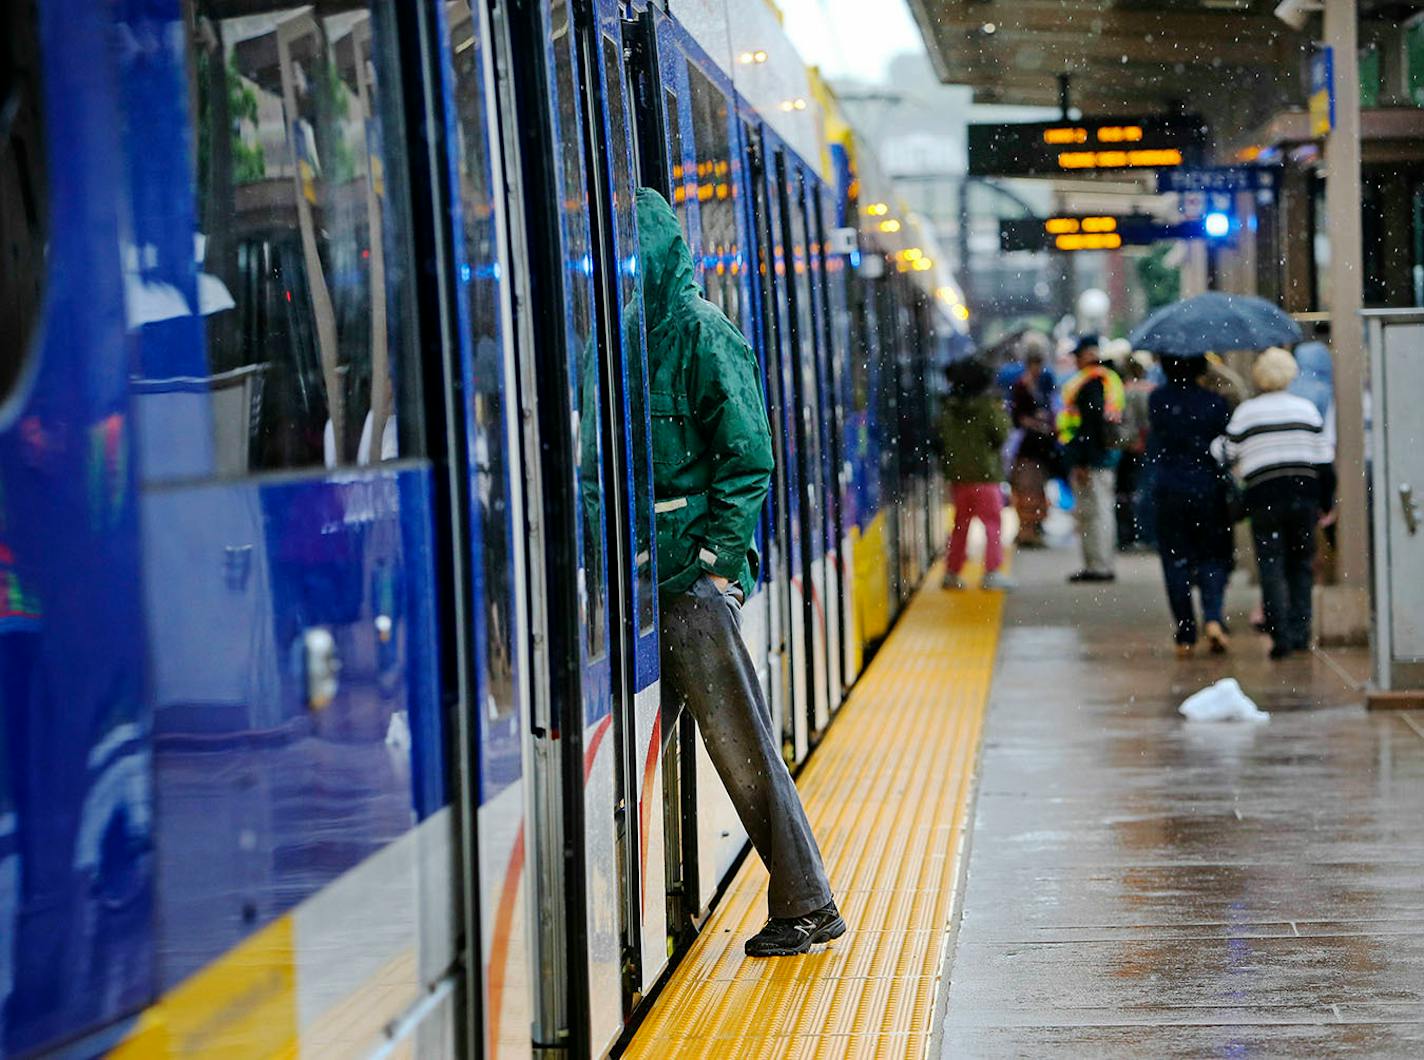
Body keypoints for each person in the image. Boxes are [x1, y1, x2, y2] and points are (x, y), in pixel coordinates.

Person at [635, 187, 841, 955]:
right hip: (637, 579)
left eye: (634, 256)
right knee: (717, 743)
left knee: (738, 743)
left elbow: (747, 457)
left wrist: (717, 567)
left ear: (658, 254)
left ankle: (807, 902)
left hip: (688, 580)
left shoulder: (700, 332)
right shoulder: (620, 335)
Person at [1213, 348, 1336, 659]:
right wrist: (1325, 501)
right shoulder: (1306, 410)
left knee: (1271, 564)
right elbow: (1324, 462)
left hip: (1264, 497)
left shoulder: (1247, 413)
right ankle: (1301, 633)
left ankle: (1279, 635)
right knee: (1301, 565)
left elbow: (1225, 454)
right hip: (1303, 496)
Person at [1148, 356, 1233, 657]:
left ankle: (1186, 632)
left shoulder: (1157, 400)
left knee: (1175, 560)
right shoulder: (1215, 402)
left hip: (1169, 487)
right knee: (1211, 555)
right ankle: (1212, 617)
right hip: (1207, 487)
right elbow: (1224, 443)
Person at [938, 357, 1015, 591]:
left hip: (959, 477)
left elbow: (941, 440)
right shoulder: (987, 406)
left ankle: (952, 572)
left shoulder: (948, 408)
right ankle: (991, 572)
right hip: (985, 475)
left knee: (960, 525)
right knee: (992, 524)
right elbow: (1001, 435)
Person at [1058, 335, 1124, 583]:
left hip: (1093, 459)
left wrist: (1083, 461)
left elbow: (1090, 425)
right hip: (1104, 456)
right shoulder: (1108, 379)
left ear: (1089, 354)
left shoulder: (1092, 383)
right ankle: (1099, 563)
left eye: (1078, 355)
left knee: (1095, 513)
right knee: (1100, 510)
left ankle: (1099, 566)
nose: (1075, 361)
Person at [1008, 342, 1056, 548]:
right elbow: (1017, 418)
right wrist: (1036, 421)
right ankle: (1026, 530)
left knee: (1034, 489)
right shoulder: (1022, 386)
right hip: (1030, 447)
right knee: (1028, 489)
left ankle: (1032, 529)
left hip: (1040, 447)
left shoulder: (1043, 383)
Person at [1115, 352, 1156, 550]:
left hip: (1128, 446)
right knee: (1145, 490)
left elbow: (1125, 420)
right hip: (1149, 446)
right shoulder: (1152, 390)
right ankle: (1147, 535)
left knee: (1126, 493)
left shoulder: (1124, 390)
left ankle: (1127, 536)